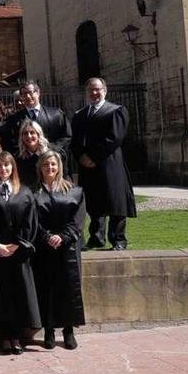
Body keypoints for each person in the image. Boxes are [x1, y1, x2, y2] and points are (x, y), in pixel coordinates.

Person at [0, 152, 41, 355]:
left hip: (18, 254)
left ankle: (16, 337)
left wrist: (17, 245)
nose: (3, 169)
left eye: (6, 165)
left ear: (13, 167)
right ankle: (4, 337)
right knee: (1, 297)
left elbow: (30, 221)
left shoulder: (24, 192)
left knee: (18, 296)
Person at [71, 77, 137, 251]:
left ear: (105, 91)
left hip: (110, 164)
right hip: (88, 167)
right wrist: (81, 157)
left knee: (116, 202)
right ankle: (96, 237)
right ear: (86, 93)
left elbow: (114, 138)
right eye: (90, 90)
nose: (94, 93)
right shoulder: (80, 115)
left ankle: (118, 240)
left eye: (97, 89)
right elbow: (75, 141)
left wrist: (92, 156)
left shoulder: (116, 111)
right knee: (94, 203)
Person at [34, 151, 85, 350]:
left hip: (67, 248)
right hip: (44, 247)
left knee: (68, 289)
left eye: (53, 164)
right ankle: (48, 330)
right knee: (47, 289)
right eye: (46, 165)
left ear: (59, 167)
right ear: (40, 167)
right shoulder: (33, 192)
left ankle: (68, 331)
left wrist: (62, 236)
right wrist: (46, 236)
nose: (50, 168)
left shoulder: (74, 190)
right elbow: (32, 221)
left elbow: (78, 220)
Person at [4, 81, 72, 157]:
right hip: (27, 162)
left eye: (30, 92)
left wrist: (50, 149)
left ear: (38, 93)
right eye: (24, 94)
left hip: (52, 160)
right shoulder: (14, 119)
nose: (28, 96)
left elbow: (66, 136)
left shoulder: (56, 114)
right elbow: (11, 142)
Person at [16, 120, 51, 187]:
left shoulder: (50, 153)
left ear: (38, 134)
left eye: (32, 132)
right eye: (25, 133)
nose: (29, 136)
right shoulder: (19, 158)